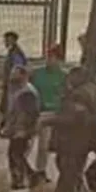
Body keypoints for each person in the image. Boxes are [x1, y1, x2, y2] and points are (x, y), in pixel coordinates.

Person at [50, 67, 96, 192]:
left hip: (73, 139)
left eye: (71, 77)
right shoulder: (93, 90)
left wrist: (51, 120)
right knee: (72, 169)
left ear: (78, 77)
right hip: (85, 139)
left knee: (68, 169)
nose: (68, 80)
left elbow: (76, 118)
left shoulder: (79, 94)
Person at [0, 64, 42, 192]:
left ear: (24, 76)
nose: (11, 76)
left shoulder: (27, 92)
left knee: (16, 155)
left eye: (15, 73)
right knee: (17, 155)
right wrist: (5, 125)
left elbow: (30, 115)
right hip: (17, 129)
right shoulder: (16, 90)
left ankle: (20, 184)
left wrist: (23, 131)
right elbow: (12, 111)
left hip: (23, 131)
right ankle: (30, 178)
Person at [30, 44, 67, 181]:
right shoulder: (38, 73)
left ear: (59, 59)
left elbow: (64, 96)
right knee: (27, 142)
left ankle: (40, 170)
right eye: (48, 57)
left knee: (43, 145)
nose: (49, 60)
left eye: (52, 57)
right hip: (36, 111)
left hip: (51, 113)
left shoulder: (63, 76)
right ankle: (24, 168)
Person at [0, 31, 29, 115]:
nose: (5, 42)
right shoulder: (12, 52)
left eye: (7, 40)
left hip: (14, 85)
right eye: (5, 40)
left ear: (13, 41)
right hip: (10, 84)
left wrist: (10, 81)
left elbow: (18, 69)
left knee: (11, 107)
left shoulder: (16, 54)